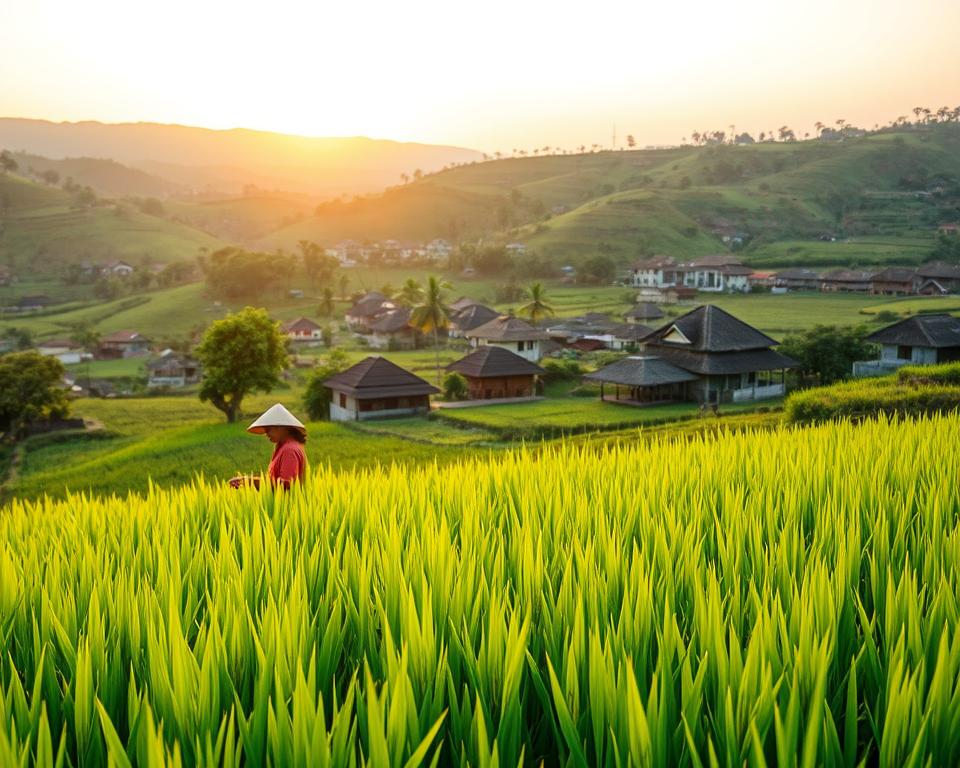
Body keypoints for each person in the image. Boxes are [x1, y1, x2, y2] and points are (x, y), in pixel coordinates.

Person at [229, 403, 308, 489]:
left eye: (268, 430)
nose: (266, 434)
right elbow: (275, 481)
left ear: (282, 428)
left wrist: (249, 481)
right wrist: (247, 481)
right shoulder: (284, 447)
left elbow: (286, 484)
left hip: (287, 502)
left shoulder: (289, 450)